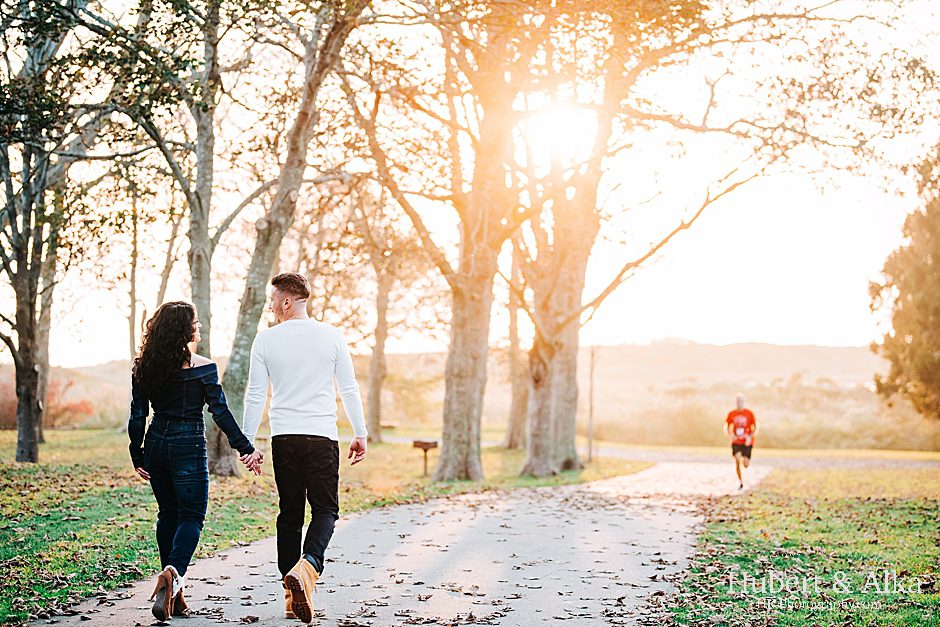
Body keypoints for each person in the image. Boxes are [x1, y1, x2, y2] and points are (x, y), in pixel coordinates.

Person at [241, 272, 368, 623]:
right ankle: (309, 567)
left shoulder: (265, 340)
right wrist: (361, 432)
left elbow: (255, 394)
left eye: (272, 300)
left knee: (290, 514)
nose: (270, 306)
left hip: (284, 439)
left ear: (286, 301)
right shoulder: (332, 336)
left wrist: (247, 442)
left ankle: (289, 594)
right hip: (322, 437)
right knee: (325, 511)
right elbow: (349, 388)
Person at [128, 301, 263, 622]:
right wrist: (245, 448)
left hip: (157, 442)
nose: (199, 326)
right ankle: (173, 575)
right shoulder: (203, 367)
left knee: (168, 515)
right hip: (187, 444)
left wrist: (138, 453)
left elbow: (138, 414)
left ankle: (173, 595)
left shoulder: (144, 367)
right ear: (182, 328)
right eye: (195, 322)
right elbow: (220, 413)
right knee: (191, 516)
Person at [725, 393, 758, 489]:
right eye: (738, 401)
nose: (739, 403)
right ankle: (741, 482)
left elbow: (755, 427)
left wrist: (750, 437)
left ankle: (746, 458)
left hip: (747, 442)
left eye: (741, 401)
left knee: (746, 464)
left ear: (744, 402)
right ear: (736, 402)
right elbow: (726, 427)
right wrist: (731, 435)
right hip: (736, 442)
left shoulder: (749, 413)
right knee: (737, 460)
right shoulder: (732, 414)